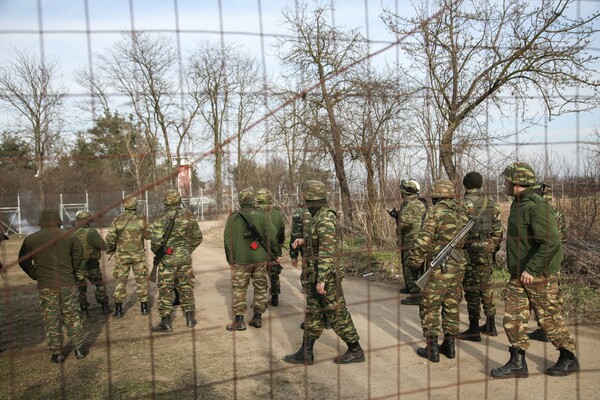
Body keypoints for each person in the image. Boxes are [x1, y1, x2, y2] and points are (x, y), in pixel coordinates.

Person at [491, 162, 579, 378]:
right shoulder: (517, 203)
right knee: (512, 318)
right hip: (519, 275)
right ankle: (517, 362)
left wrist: (531, 269)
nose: (504, 183)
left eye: (507, 180)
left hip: (539, 275)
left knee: (548, 319)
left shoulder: (537, 206)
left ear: (518, 183)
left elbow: (551, 242)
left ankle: (568, 357)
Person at [284, 180, 365, 365]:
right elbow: (320, 240)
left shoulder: (326, 217)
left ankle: (355, 349)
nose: (303, 203)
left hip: (325, 276)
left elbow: (328, 251)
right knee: (313, 313)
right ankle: (306, 352)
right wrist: (303, 241)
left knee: (336, 313)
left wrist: (321, 279)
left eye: (305, 199)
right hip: (315, 273)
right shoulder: (317, 216)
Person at [408, 179, 469, 362]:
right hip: (457, 266)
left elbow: (423, 241)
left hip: (438, 267)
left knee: (430, 305)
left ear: (435, 195)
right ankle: (449, 346)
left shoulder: (435, 212)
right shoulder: (461, 212)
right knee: (452, 304)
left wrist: (415, 262)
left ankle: (432, 348)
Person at [18, 209, 88, 363]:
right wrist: (71, 271)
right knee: (72, 314)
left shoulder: (31, 239)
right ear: (58, 220)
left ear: (41, 222)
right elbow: (79, 256)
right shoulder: (70, 236)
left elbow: (23, 260)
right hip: (67, 282)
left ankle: (57, 353)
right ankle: (79, 349)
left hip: (46, 284)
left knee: (51, 317)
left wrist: (35, 274)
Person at [224, 188, 281, 331]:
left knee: (239, 290)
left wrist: (230, 260)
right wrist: (275, 253)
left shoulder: (233, 218)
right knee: (261, 288)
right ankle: (257, 318)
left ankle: (239, 321)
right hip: (261, 259)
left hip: (241, 261)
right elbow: (272, 237)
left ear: (240, 201)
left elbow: (227, 241)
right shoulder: (262, 215)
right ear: (252, 200)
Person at [150, 189, 203, 332]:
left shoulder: (161, 219)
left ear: (166, 202)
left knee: (165, 290)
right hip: (185, 260)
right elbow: (198, 237)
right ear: (179, 201)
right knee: (186, 288)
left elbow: (154, 243)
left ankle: (166, 322)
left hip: (167, 261)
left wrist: (162, 254)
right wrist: (185, 250)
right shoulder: (188, 217)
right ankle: (190, 318)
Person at [458, 172, 503, 341]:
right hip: (486, 250)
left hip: (469, 251)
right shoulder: (492, 203)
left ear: (466, 185)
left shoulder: (463, 204)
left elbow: (457, 233)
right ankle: (491, 325)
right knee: (486, 286)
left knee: (471, 289)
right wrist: (491, 247)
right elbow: (498, 230)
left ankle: (474, 329)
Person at [528, 183, 568, 342]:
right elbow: (563, 237)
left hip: (541, 258)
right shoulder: (557, 213)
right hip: (554, 258)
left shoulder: (537, 211)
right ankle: (543, 328)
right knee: (552, 295)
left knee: (544, 297)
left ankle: (551, 331)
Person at [105, 196, 150, 319]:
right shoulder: (142, 219)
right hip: (138, 255)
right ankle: (144, 308)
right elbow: (148, 235)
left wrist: (110, 250)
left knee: (120, 282)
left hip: (122, 256)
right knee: (141, 281)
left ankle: (118, 310)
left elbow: (110, 238)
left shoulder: (117, 219)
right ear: (136, 206)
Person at [394, 179, 427, 305]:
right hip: (420, 240)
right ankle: (411, 288)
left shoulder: (409, 204)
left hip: (411, 240)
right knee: (415, 266)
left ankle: (415, 295)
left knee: (410, 266)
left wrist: (398, 222)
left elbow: (404, 224)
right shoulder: (419, 203)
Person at [72, 210, 111, 317]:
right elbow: (103, 246)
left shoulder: (72, 233)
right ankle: (105, 307)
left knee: (81, 289)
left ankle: (84, 310)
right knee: (99, 285)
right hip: (92, 265)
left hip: (78, 267)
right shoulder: (92, 232)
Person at [255, 188, 286, 307]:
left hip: (258, 248)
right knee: (274, 273)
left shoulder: (254, 212)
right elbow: (281, 230)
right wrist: (279, 245)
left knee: (260, 274)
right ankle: (275, 297)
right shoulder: (277, 213)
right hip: (274, 246)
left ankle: (261, 299)